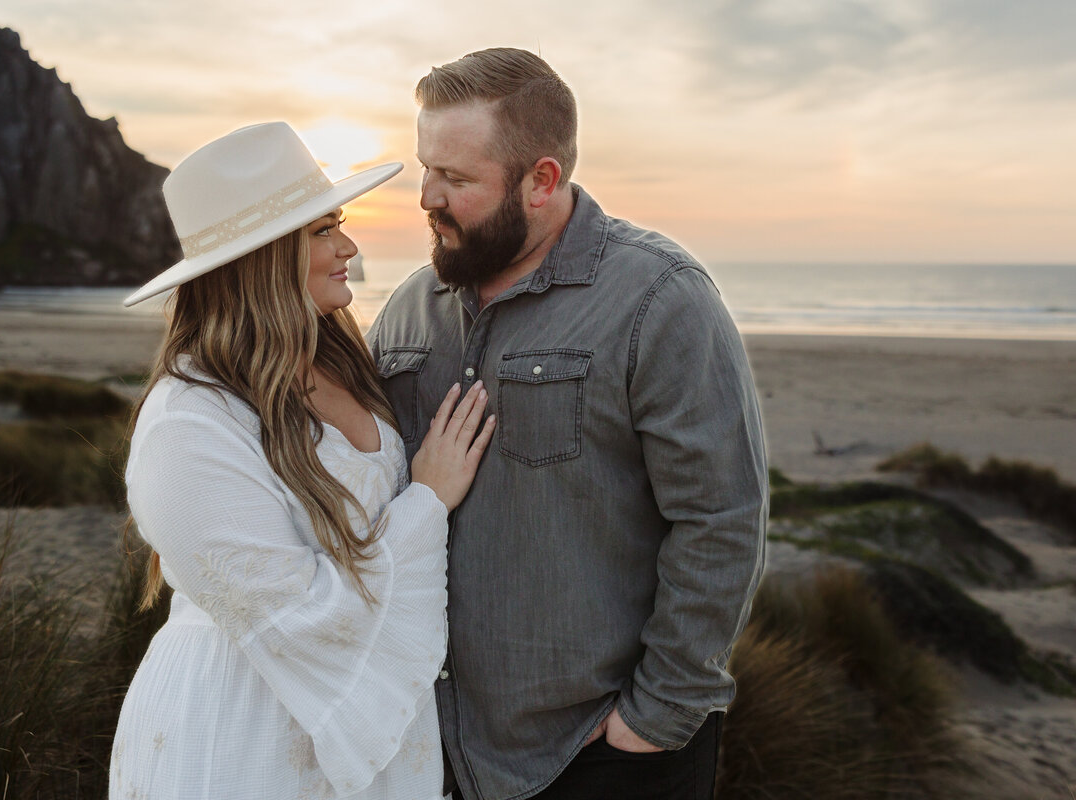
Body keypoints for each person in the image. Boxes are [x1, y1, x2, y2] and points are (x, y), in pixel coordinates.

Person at [368, 48, 768, 800]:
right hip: (433, 750)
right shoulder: (407, 309)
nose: (426, 195)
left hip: (603, 753)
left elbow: (721, 518)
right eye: (426, 168)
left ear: (541, 181)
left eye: (455, 178)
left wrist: (655, 717)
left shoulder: (661, 298)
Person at [110, 122, 495, 800]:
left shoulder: (344, 361)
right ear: (261, 258)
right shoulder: (189, 422)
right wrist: (428, 501)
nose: (348, 246)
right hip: (242, 731)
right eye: (320, 232)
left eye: (337, 223)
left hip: (371, 729)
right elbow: (294, 617)